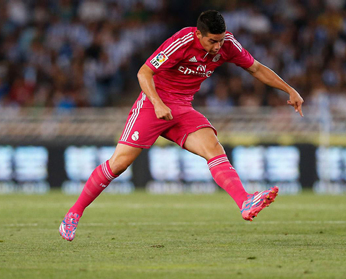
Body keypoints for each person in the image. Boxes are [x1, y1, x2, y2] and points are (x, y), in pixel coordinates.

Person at [59, 10, 304, 241]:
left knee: (214, 148)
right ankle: (73, 214)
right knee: (119, 163)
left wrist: (289, 89)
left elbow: (256, 68)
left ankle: (245, 201)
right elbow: (144, 73)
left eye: (220, 41)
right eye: (212, 41)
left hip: (183, 108)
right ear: (199, 34)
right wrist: (156, 103)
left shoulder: (228, 44)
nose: (217, 47)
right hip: (153, 104)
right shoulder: (182, 41)